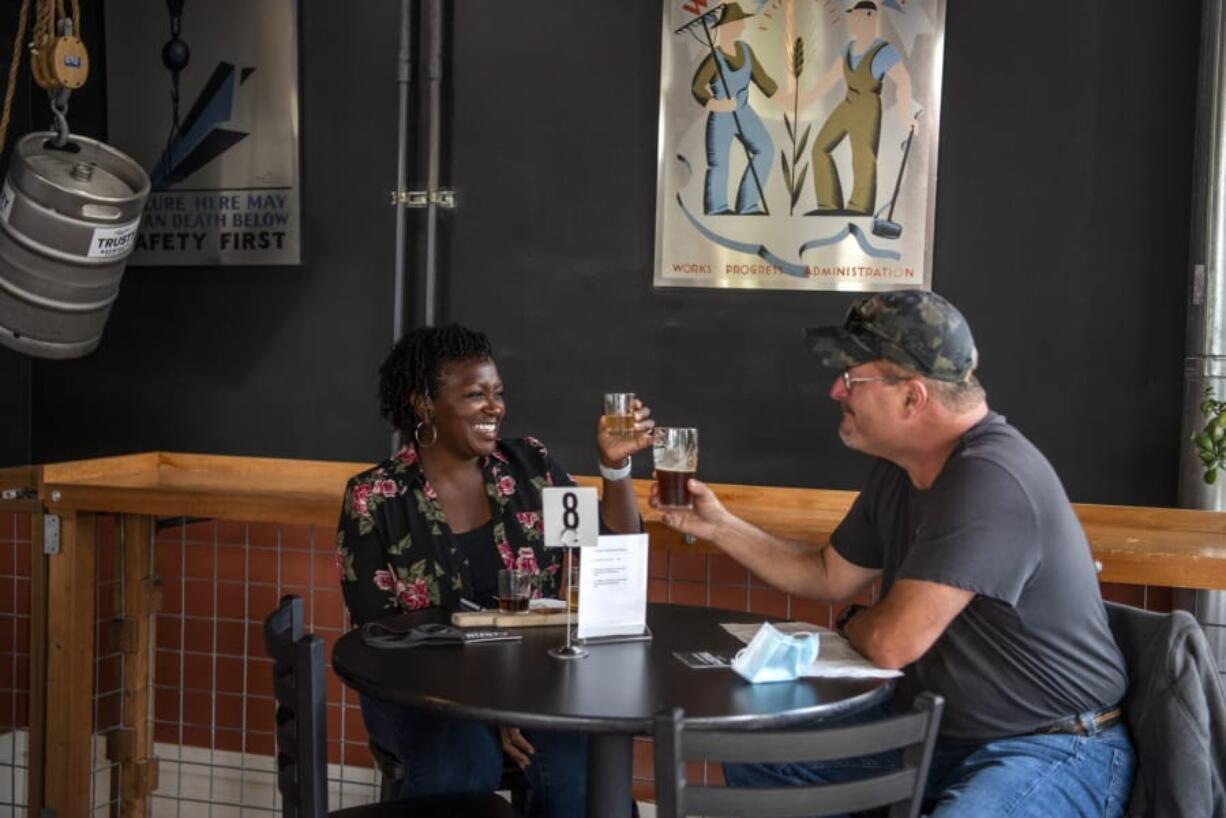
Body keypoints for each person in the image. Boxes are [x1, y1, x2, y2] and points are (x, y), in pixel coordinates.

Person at [653, 290, 1135, 817]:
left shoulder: (990, 479)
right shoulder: (903, 468)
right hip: (940, 736)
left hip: (1053, 743)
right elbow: (827, 574)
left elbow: (890, 644)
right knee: (763, 755)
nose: (835, 389)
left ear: (913, 398)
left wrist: (856, 622)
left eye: (853, 378)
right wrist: (719, 525)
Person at [337, 324, 653, 818]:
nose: (495, 408)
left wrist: (614, 471)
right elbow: (382, 637)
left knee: (580, 772)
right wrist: (489, 706)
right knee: (463, 765)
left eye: (498, 394)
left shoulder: (530, 464)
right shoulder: (375, 498)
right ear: (424, 405)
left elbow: (610, 549)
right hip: (423, 694)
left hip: (537, 687)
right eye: (475, 395)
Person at [797, 0, 915, 214]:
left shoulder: (883, 50)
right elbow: (831, 77)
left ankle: (860, 207)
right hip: (848, 102)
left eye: (855, 16)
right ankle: (828, 204)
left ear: (869, 17)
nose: (851, 20)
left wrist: (905, 115)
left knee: (863, 157)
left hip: (867, 105)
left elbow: (904, 80)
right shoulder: (848, 47)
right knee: (820, 148)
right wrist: (806, 99)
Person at [689, 2, 778, 215]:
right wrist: (716, 104)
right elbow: (697, 87)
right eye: (734, 24)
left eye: (739, 24)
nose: (739, 28)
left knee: (765, 149)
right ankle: (716, 208)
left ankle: (748, 205)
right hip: (721, 116)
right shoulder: (715, 57)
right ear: (724, 27)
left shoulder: (746, 52)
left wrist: (788, 97)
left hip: (743, 110)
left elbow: (764, 81)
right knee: (719, 163)